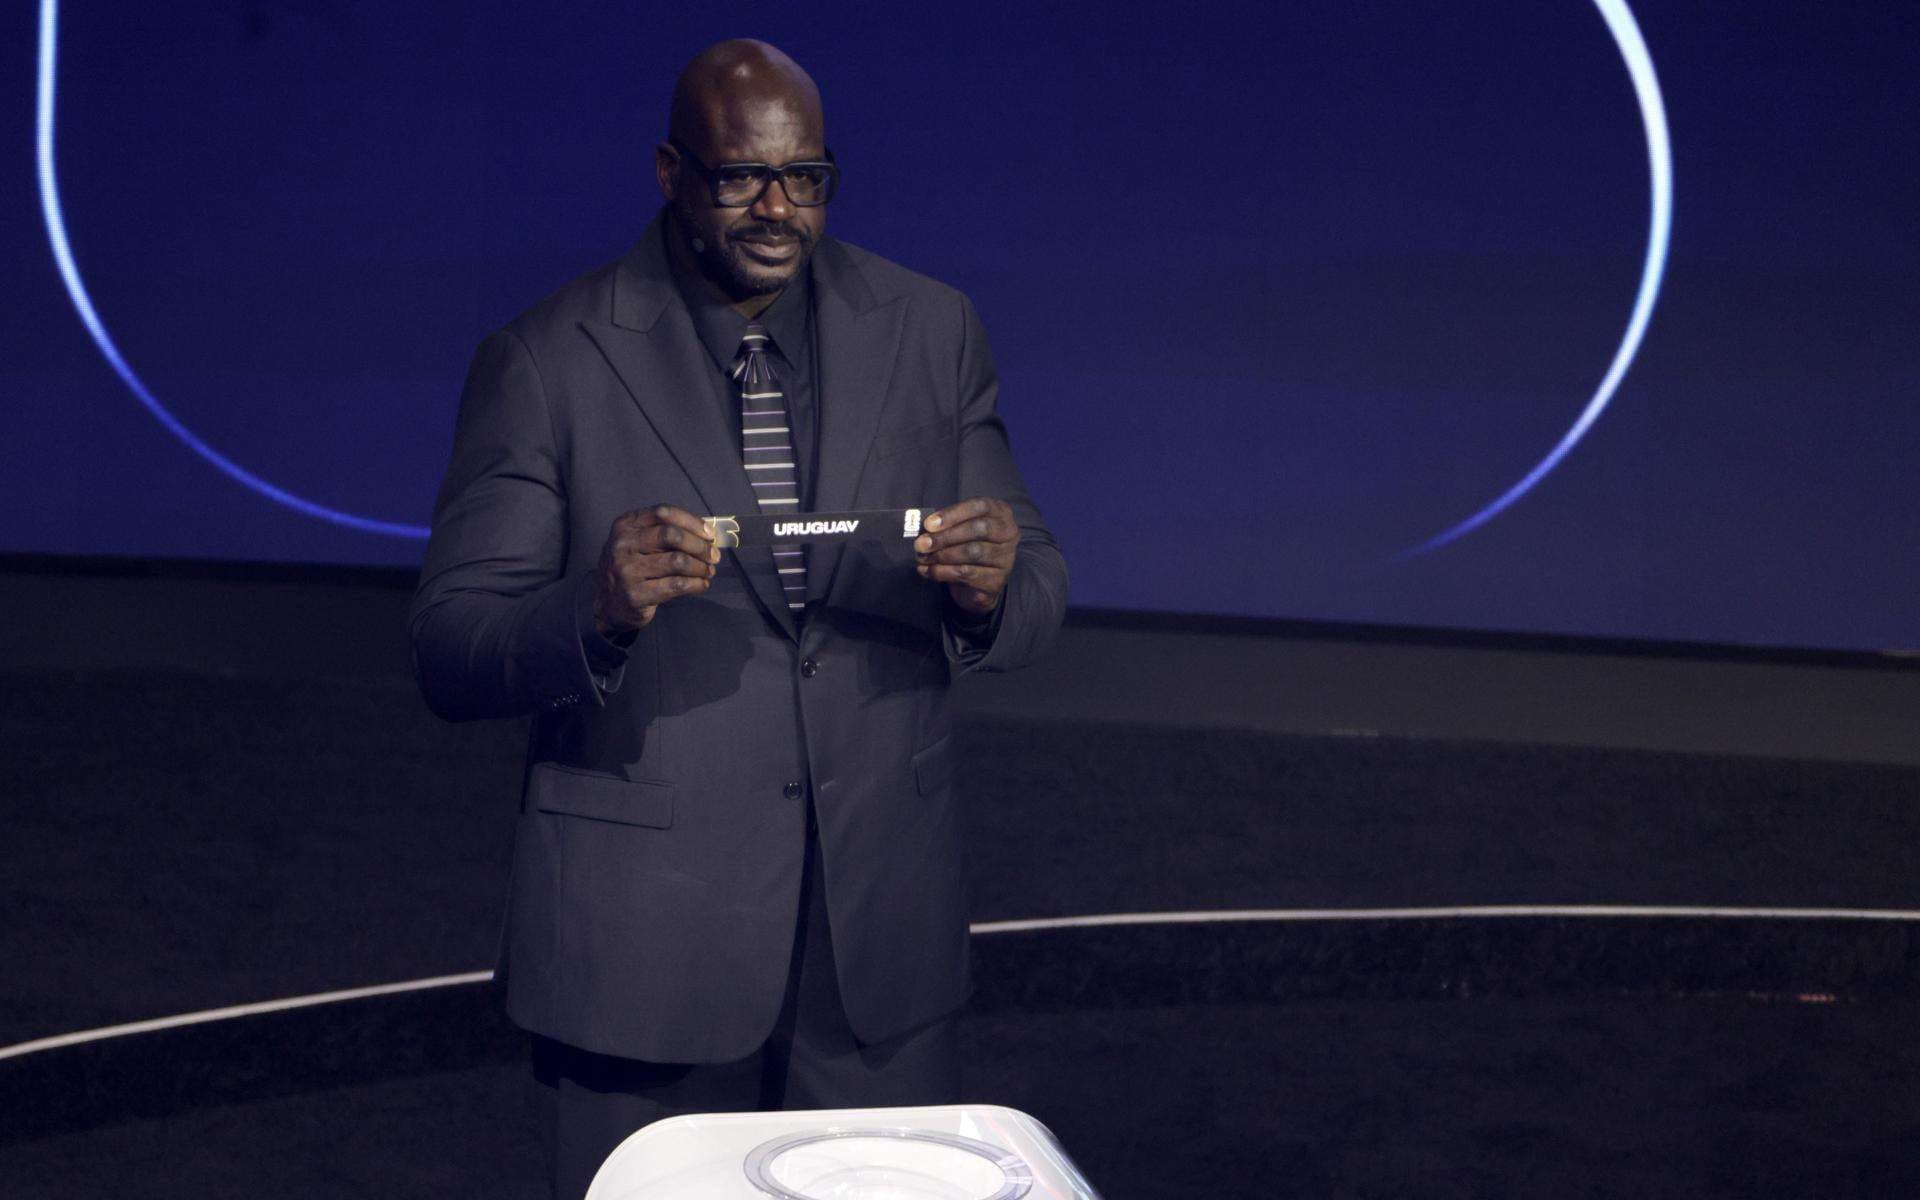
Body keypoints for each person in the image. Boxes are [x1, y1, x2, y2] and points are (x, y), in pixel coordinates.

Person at [407, 38, 1068, 1199]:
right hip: (642, 952)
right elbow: (453, 647)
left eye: (805, 177)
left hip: (875, 948)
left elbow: (1037, 590)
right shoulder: (549, 360)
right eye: (740, 179)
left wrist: (989, 585)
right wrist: (596, 610)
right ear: (670, 172)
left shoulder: (930, 328)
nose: (777, 208)